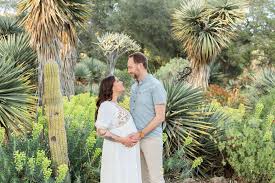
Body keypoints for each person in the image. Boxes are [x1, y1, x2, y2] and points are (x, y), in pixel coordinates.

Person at [127, 52, 167, 183]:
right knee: (142, 177)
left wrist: (141, 133)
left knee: (156, 177)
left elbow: (160, 116)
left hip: (151, 139)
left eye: (130, 67)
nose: (128, 71)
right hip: (136, 139)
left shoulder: (155, 86)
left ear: (140, 65)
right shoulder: (133, 87)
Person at [95, 76, 142, 183]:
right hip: (118, 150)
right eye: (117, 81)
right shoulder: (106, 105)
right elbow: (100, 131)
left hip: (126, 152)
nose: (121, 81)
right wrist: (123, 140)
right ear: (111, 87)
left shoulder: (115, 105)